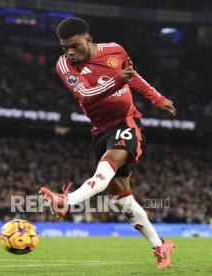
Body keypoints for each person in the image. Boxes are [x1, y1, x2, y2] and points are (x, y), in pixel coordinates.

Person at [39, 17, 176, 269]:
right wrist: (117, 80)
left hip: (126, 122)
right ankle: (160, 245)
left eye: (74, 45)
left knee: (108, 163)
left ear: (88, 40)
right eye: (64, 47)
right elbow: (86, 95)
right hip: (99, 130)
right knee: (121, 198)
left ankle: (67, 201)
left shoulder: (116, 50)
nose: (70, 52)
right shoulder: (64, 65)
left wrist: (157, 98)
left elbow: (132, 77)